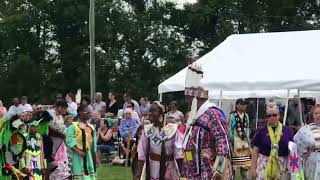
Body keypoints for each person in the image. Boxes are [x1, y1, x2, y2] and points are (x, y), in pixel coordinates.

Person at [182, 63, 232, 180]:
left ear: (196, 98)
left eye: (189, 99)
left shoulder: (213, 114)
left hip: (210, 175)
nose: (188, 102)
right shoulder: (194, 118)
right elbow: (188, 147)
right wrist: (186, 169)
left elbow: (223, 145)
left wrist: (218, 172)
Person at [137, 101, 183, 180]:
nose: (150, 113)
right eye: (149, 111)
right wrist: (139, 172)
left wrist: (183, 173)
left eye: (153, 111)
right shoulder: (147, 130)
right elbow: (142, 153)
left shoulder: (172, 129)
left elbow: (179, 153)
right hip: (152, 167)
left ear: (161, 114)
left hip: (168, 167)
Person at [251, 102, 293, 179]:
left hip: (282, 167)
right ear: (266, 118)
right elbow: (255, 151)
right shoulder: (261, 131)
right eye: (269, 116)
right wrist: (253, 169)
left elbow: (293, 150)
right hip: (264, 166)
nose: (272, 117)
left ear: (279, 115)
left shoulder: (287, 131)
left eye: (274, 115)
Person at [40, 100, 70, 179]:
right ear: (58, 107)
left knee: (60, 160)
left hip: (59, 142)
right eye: (63, 108)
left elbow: (62, 128)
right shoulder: (49, 114)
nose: (64, 111)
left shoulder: (60, 116)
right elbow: (49, 128)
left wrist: (65, 135)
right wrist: (61, 134)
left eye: (65, 109)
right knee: (50, 160)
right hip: (49, 140)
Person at [66, 105, 97, 180]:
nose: (90, 114)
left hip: (89, 155)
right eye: (88, 112)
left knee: (89, 174)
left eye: (90, 113)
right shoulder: (73, 126)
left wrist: (94, 155)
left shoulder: (91, 127)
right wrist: (78, 151)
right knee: (78, 174)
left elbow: (93, 143)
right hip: (76, 155)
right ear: (80, 113)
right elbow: (69, 141)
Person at [294, 104, 320, 179]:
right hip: (312, 161)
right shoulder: (307, 129)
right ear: (312, 115)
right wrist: (304, 153)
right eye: (316, 113)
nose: (318, 115)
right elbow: (297, 140)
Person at [227, 98, 251, 179]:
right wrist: (231, 140)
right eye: (242, 104)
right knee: (233, 165)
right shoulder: (232, 115)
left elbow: (247, 128)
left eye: (245, 104)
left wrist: (248, 139)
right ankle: (232, 177)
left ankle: (244, 177)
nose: (244, 106)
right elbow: (229, 128)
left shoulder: (246, 116)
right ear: (237, 105)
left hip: (244, 143)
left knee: (244, 165)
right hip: (235, 143)